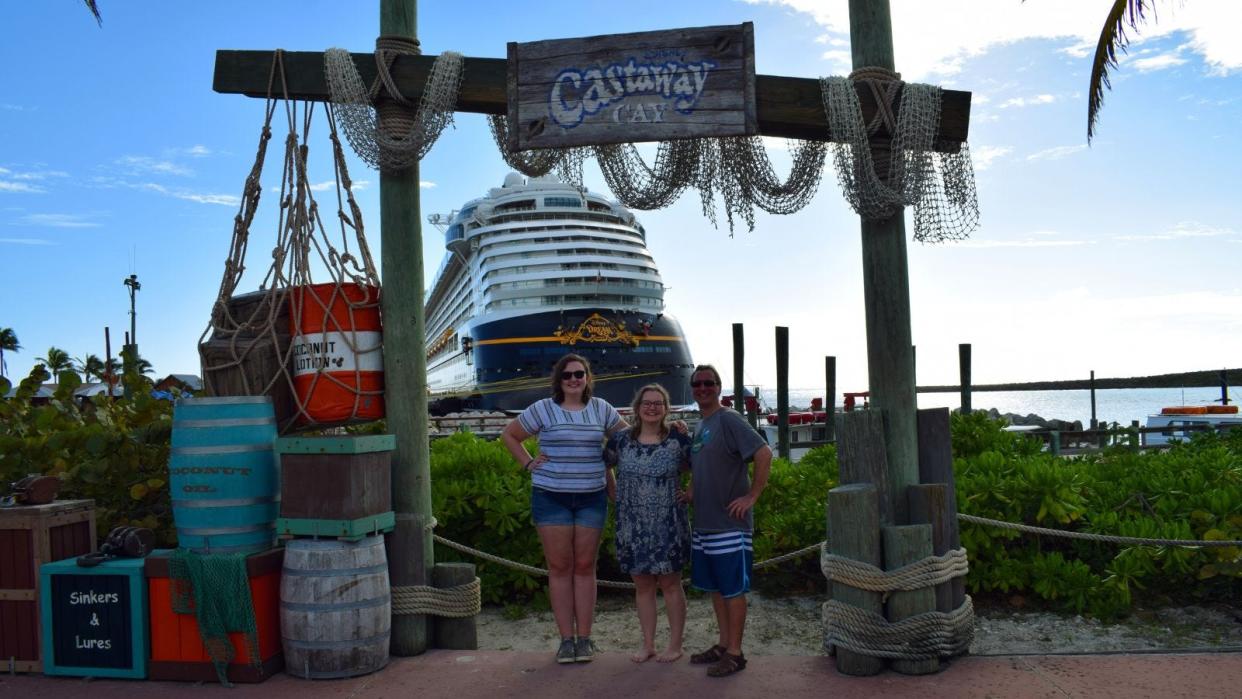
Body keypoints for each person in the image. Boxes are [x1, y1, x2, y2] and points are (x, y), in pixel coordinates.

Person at [501, 353, 624, 664]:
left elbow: (628, 440)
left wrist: (667, 428)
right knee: (559, 568)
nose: (573, 380)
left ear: (587, 377)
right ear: (559, 380)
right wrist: (528, 462)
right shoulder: (543, 408)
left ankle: (585, 638)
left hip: (591, 497)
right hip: (550, 495)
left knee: (585, 567)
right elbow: (510, 435)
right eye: (567, 375)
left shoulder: (602, 408)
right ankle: (565, 640)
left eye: (579, 374)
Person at [685, 364, 772, 678]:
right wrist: (691, 492)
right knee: (717, 589)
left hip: (729, 525)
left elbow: (763, 453)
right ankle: (723, 645)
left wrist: (752, 496)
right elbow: (699, 465)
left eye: (709, 383)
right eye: (698, 383)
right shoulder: (701, 425)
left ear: (718, 387)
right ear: (692, 388)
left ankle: (736, 653)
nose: (703, 388)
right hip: (705, 523)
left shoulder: (729, 419)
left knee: (733, 590)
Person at [604, 383, 691, 664]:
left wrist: (691, 492)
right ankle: (649, 644)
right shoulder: (620, 440)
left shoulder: (678, 439)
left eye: (658, 403)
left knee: (670, 584)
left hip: (669, 523)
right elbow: (603, 464)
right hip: (632, 525)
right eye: (647, 403)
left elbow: (700, 465)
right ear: (637, 407)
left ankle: (675, 645)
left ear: (666, 408)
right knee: (642, 586)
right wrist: (613, 491)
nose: (652, 407)